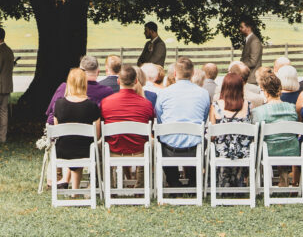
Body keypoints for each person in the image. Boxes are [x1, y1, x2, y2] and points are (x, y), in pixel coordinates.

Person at [154, 56, 209, 186]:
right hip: (194, 147)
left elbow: (160, 118)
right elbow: (203, 118)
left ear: (174, 73)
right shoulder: (203, 93)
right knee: (202, 139)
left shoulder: (164, 93)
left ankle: (173, 181)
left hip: (169, 148)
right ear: (193, 73)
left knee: (161, 139)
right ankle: (193, 180)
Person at [51, 67, 102, 190]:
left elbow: (57, 129)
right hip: (86, 151)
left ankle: (74, 190)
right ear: (84, 83)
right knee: (80, 145)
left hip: (62, 150)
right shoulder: (92, 106)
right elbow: (97, 134)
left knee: (71, 144)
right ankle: (75, 191)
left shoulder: (59, 104)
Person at [252, 67, 300, 185]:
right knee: (283, 140)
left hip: (269, 151)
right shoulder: (292, 108)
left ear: (265, 92)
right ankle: (283, 179)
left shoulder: (259, 111)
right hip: (292, 150)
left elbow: (256, 135)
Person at [100, 64, 155, 157]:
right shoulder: (147, 104)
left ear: (118, 81)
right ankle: (142, 170)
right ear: (136, 81)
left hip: (114, 151)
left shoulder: (105, 102)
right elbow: (151, 127)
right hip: (139, 151)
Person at [209, 71, 253, 188]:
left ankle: (223, 182)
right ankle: (239, 180)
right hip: (244, 153)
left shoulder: (215, 106)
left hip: (222, 153)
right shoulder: (248, 106)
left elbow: (212, 135)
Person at [46, 54, 110, 122]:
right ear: (98, 72)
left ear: (80, 71)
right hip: (89, 130)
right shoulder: (106, 92)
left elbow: (49, 113)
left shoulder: (64, 88)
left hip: (59, 130)